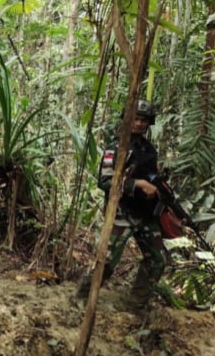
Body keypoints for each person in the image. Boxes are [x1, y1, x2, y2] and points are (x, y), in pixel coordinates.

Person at [77, 100, 166, 312]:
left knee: (158, 259)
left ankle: (134, 304)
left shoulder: (148, 150)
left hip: (144, 214)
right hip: (121, 212)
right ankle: (83, 296)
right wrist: (137, 184)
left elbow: (152, 177)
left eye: (143, 120)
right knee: (107, 261)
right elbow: (104, 181)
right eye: (134, 119)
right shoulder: (115, 147)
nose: (138, 123)